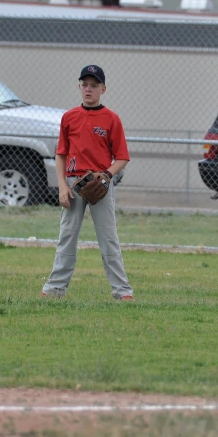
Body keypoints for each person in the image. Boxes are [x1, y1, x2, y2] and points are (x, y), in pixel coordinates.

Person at [41, 65, 134, 300]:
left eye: (94, 85)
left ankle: (122, 291)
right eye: (85, 84)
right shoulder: (69, 117)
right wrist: (62, 186)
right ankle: (55, 289)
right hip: (74, 184)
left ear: (103, 89)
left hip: (100, 183)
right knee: (67, 236)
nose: (89, 89)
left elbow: (122, 157)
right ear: (79, 86)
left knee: (108, 237)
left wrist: (107, 175)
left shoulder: (111, 119)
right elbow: (61, 154)